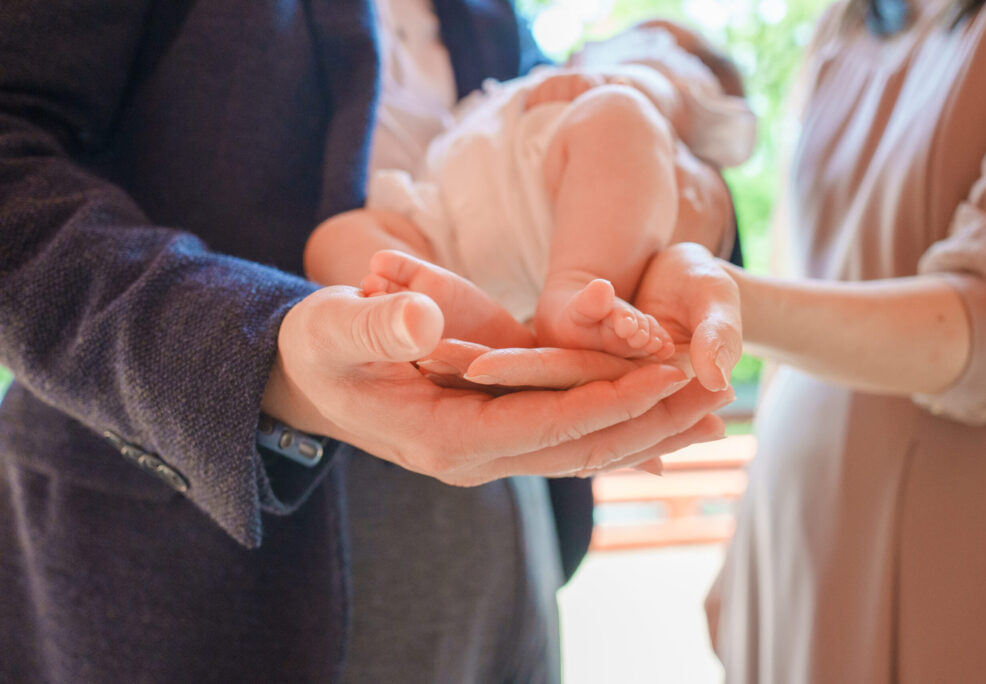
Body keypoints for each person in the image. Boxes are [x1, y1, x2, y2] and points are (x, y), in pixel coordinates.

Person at [0, 0, 741, 681]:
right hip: (196, 557)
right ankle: (428, 321)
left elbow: (589, 172)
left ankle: (491, 328)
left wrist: (699, 224)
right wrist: (274, 355)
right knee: (353, 247)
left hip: (504, 515)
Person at [626, 0, 986, 681]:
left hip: (950, 542)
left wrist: (718, 296)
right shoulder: (844, 22)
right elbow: (800, 268)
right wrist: (746, 529)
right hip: (791, 524)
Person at [303, 32, 753, 364]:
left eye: (662, 45)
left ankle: (577, 284)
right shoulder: (531, 76)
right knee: (334, 241)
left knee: (623, 115)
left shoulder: (649, 89)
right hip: (433, 222)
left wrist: (636, 81)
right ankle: (474, 323)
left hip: (563, 210)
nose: (643, 39)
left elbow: (727, 130)